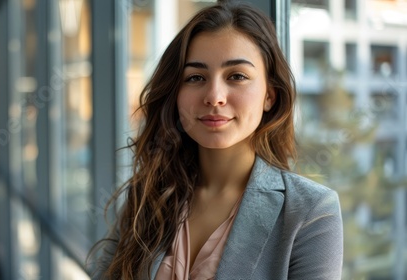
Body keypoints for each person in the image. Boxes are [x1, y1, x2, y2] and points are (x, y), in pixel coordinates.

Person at [88, 2, 343, 280]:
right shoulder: (149, 193)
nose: (214, 96)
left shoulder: (311, 211)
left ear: (270, 94)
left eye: (237, 76)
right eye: (195, 77)